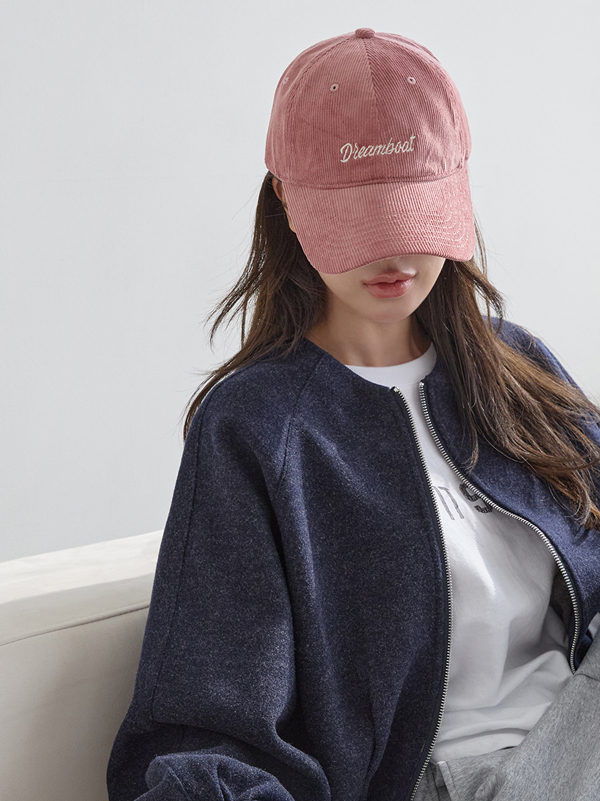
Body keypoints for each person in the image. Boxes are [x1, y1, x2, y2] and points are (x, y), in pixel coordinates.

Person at [106, 28, 600, 801]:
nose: (392, 255)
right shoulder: (256, 429)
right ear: (285, 202)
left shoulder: (518, 370)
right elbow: (206, 716)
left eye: (412, 213)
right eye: (361, 221)